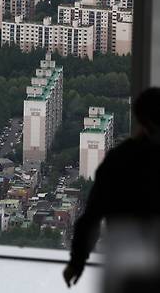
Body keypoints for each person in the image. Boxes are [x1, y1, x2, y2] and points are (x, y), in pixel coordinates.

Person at [63, 88, 160, 290]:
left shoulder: (120, 159)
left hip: (124, 265)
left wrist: (77, 261)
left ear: (141, 119)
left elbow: (92, 215)